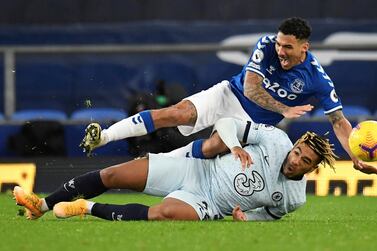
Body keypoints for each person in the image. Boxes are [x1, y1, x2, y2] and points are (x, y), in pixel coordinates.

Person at [79, 17, 376, 174]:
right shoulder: (266, 44)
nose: (281, 51)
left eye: (288, 47)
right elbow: (250, 87)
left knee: (211, 149)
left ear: (305, 48)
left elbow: (338, 122)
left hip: (251, 124)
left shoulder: (318, 79)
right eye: (280, 45)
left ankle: (150, 165)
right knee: (175, 113)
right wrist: (284, 109)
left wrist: (354, 156)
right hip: (228, 94)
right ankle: (103, 137)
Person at [14, 118, 336, 221]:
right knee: (114, 175)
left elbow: (270, 215)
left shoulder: (295, 198)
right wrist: (235, 146)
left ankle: (85, 207)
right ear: (293, 145)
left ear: (313, 167)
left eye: (304, 161)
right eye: (297, 152)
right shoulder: (276, 139)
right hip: (195, 170)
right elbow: (225, 123)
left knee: (163, 214)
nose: (294, 160)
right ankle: (40, 205)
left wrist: (246, 218)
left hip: (209, 204)